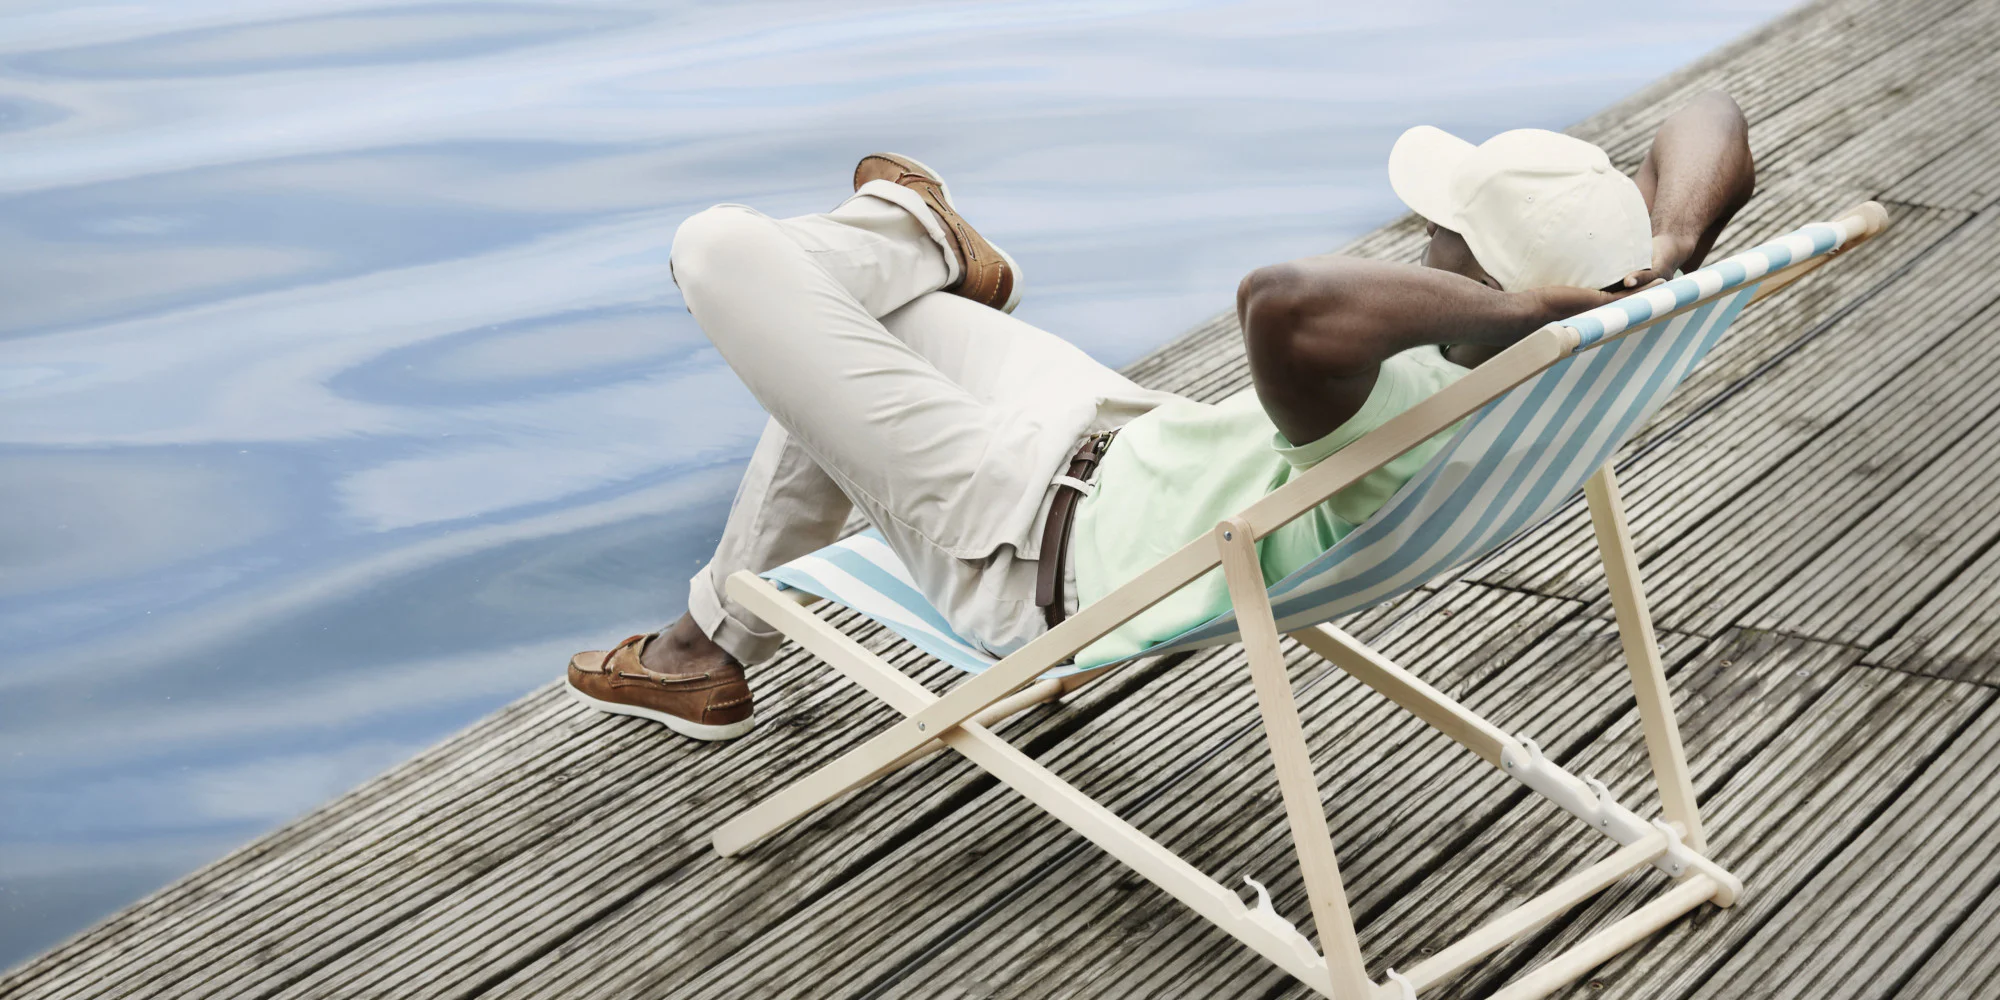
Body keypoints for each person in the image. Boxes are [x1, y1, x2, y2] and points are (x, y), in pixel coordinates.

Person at [565, 91, 1755, 742]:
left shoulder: (1364, 385)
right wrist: (1666, 249)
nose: (1418, 239)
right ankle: (703, 648)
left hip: (1018, 536)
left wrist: (1522, 300)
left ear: (1476, 277)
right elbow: (1710, 114)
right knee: (849, 340)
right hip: (1107, 445)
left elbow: (1279, 300)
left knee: (721, 250)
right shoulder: (1572, 354)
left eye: (1439, 232)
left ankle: (916, 233)